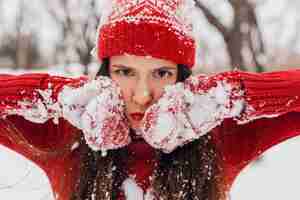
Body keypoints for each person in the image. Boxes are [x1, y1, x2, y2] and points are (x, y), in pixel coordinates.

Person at [1, 0, 300, 199]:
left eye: (161, 73)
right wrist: (56, 95)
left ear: (181, 78)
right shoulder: (66, 137)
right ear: (105, 75)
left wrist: (228, 95)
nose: (142, 95)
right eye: (125, 71)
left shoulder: (218, 136)